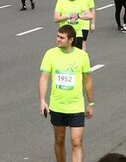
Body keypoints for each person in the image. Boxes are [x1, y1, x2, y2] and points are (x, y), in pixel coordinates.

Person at [39, 24, 94, 162]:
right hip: (57, 106)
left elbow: (87, 81)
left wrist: (91, 103)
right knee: (59, 139)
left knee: (76, 142)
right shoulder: (50, 54)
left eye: (61, 37)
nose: (57, 39)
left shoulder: (82, 56)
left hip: (76, 106)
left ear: (71, 40)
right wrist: (42, 100)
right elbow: (44, 78)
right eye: (57, 36)